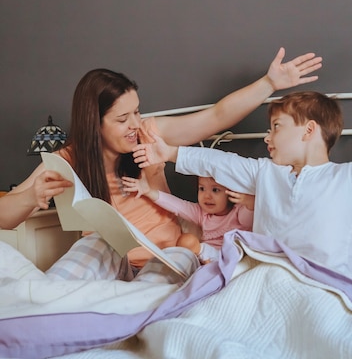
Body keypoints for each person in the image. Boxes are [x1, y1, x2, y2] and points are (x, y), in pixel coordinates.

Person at [3, 47, 322, 269]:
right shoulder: (67, 159)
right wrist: (31, 196)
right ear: (94, 123)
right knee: (81, 257)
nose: (134, 125)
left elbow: (216, 116)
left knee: (170, 267)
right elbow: (5, 216)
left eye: (137, 111)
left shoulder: (150, 134)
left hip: (169, 256)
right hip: (111, 260)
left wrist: (269, 83)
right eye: (122, 118)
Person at [133, 90, 352, 279]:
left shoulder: (348, 178)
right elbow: (220, 163)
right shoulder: (266, 173)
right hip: (269, 278)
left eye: (276, 127)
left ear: (308, 130)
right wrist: (169, 153)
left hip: (326, 285)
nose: (268, 138)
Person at [121, 170, 255, 262]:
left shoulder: (238, 212)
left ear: (231, 192)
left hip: (230, 256)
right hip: (205, 254)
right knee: (186, 241)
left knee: (189, 242)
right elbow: (177, 206)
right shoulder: (201, 213)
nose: (207, 196)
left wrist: (248, 201)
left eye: (215, 190)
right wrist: (149, 191)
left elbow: (249, 214)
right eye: (202, 188)